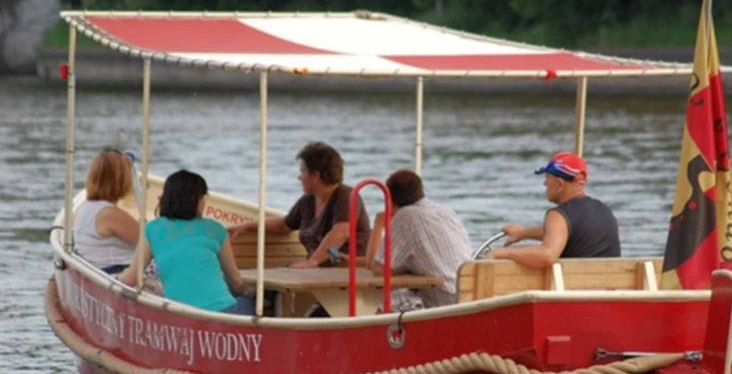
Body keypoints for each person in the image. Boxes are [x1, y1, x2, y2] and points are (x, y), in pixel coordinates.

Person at [120, 170, 253, 315]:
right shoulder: (215, 229)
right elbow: (236, 282)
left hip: (181, 314)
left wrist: (114, 277)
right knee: (248, 301)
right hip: (223, 311)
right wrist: (248, 291)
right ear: (198, 199)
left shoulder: (152, 229)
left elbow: (130, 279)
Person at [229, 141, 370, 268]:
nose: (299, 177)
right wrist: (248, 225)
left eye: (302, 172)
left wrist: (313, 261)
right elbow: (285, 224)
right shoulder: (308, 200)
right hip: (321, 271)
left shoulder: (346, 196)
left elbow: (342, 231)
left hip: (348, 272)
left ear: (315, 175)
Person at [489, 151, 620, 268]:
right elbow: (564, 232)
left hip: (575, 291)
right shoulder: (604, 210)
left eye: (547, 179)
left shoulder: (558, 214)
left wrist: (501, 253)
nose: (544, 184)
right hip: (611, 289)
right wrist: (522, 234)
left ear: (559, 184)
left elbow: (547, 255)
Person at [366, 169, 472, 309]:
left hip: (445, 301)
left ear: (390, 198)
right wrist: (411, 267)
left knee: (377, 301)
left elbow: (377, 268)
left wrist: (379, 223)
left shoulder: (406, 216)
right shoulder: (445, 210)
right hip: (468, 292)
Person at [73, 149, 139, 274]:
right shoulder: (110, 214)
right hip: (117, 276)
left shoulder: (82, 208)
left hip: (97, 271)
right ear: (121, 180)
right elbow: (152, 242)